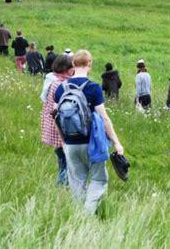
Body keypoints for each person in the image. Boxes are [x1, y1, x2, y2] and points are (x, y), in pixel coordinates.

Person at [54, 50, 124, 213]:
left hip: (70, 144)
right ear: (89, 64)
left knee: (76, 182)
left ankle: (78, 216)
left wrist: (64, 141)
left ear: (73, 64)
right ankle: (88, 214)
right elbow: (104, 119)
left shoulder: (60, 88)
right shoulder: (93, 88)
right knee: (99, 180)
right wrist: (116, 142)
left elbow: (56, 117)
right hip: (92, 143)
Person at [40, 55, 74, 185]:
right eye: (71, 67)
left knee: (61, 158)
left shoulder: (52, 81)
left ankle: (62, 182)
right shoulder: (62, 85)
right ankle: (63, 184)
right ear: (66, 68)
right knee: (66, 160)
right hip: (60, 130)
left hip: (53, 128)